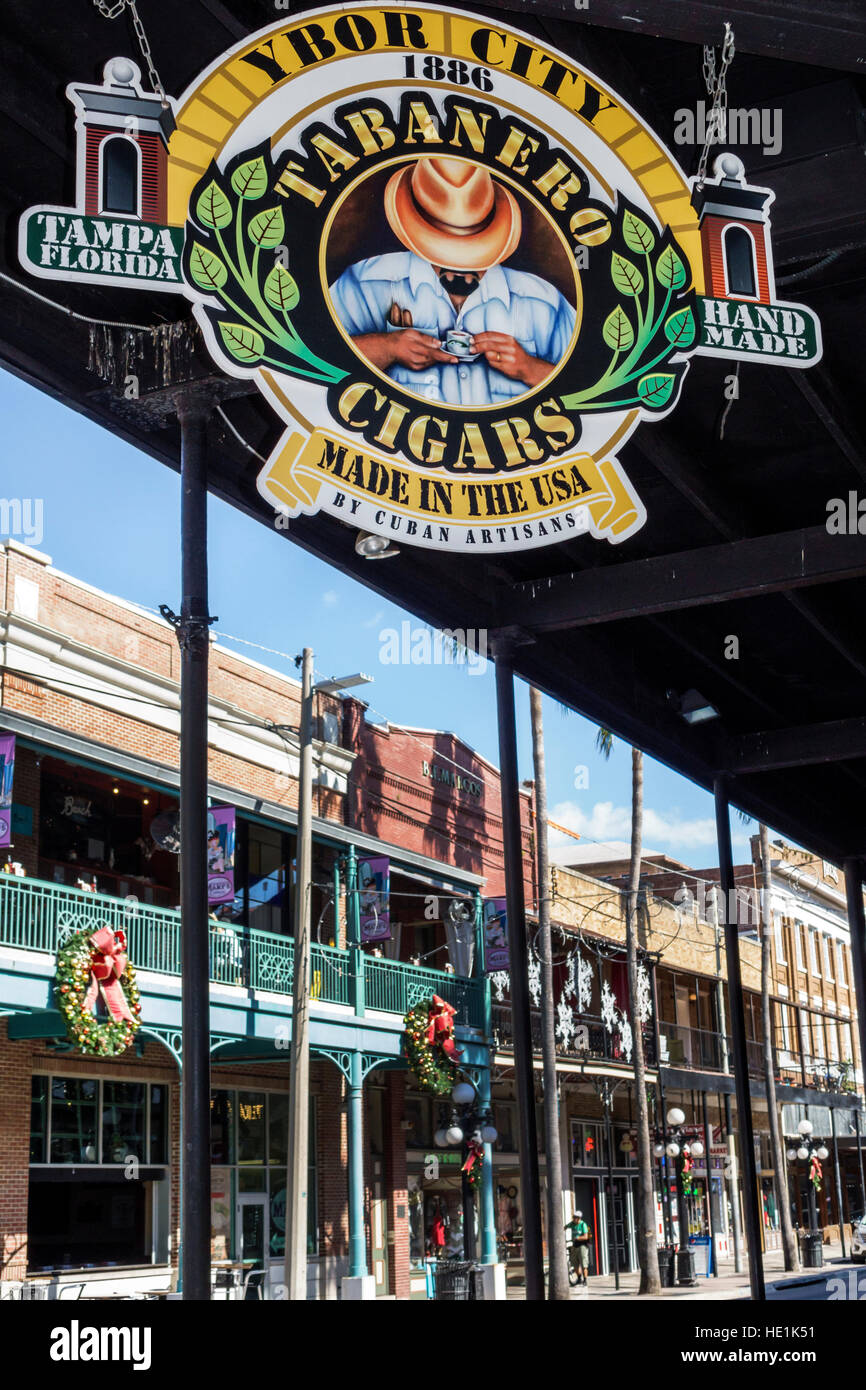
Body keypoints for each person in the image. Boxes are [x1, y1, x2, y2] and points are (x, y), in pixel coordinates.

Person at [329, 156, 575, 407]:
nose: (462, 270)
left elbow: (587, 389)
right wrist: (387, 347)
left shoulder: (544, 302)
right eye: (446, 254)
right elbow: (318, 362)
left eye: (475, 252)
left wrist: (529, 368)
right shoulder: (367, 282)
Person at [564, 1209, 592, 1285]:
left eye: (575, 1217)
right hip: (575, 1245)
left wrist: (578, 1238)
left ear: (579, 1218)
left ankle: (585, 1280)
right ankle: (579, 1277)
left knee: (584, 1263)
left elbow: (586, 1237)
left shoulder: (583, 1225)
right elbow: (565, 1227)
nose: (574, 1219)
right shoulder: (572, 1224)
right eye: (573, 1217)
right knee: (574, 1263)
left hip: (582, 1246)